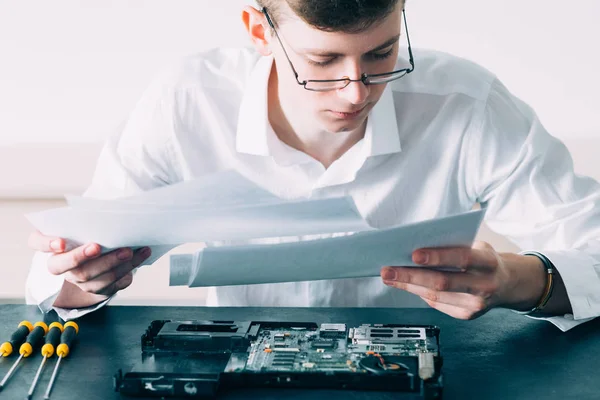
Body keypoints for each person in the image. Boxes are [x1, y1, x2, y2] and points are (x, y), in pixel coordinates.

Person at [26, 0, 600, 331]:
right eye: (323, 61)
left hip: (422, 377)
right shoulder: (187, 102)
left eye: (381, 53)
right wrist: (84, 280)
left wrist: (520, 281)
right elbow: (52, 284)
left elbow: (593, 248)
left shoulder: (468, 104)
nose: (356, 92)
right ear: (259, 32)